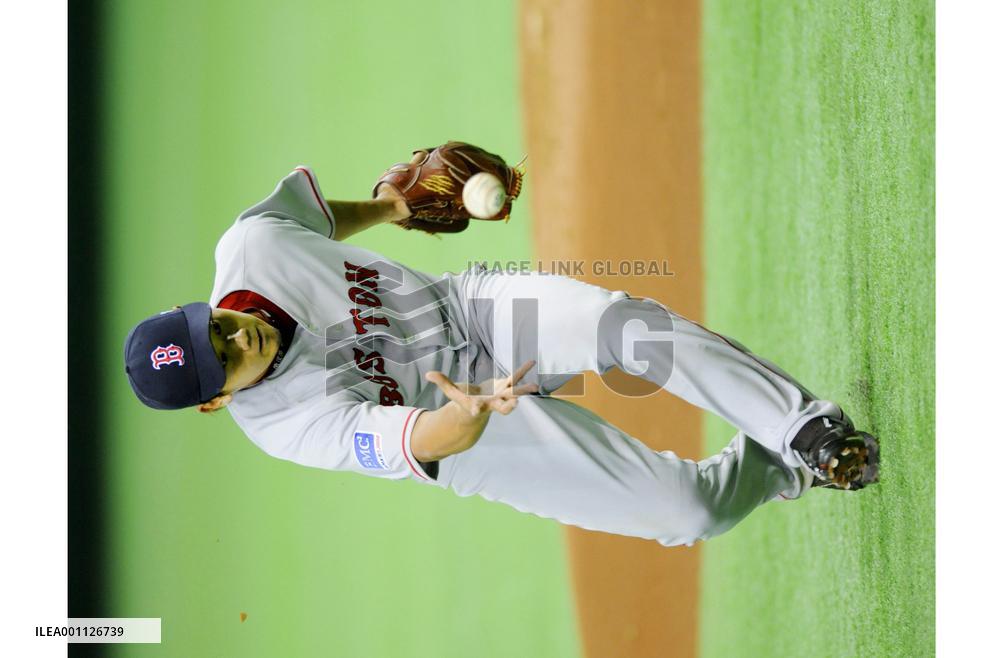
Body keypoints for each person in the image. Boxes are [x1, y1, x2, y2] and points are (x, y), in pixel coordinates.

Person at [123, 144, 879, 548]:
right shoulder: (284, 427)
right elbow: (417, 438)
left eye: (212, 326)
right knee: (688, 514)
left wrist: (391, 207)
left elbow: (314, 225)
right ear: (217, 400)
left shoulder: (252, 246)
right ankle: (774, 465)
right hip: (473, 433)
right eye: (222, 357)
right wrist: (472, 415)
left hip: (472, 311)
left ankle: (801, 427)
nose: (233, 335)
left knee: (623, 326)